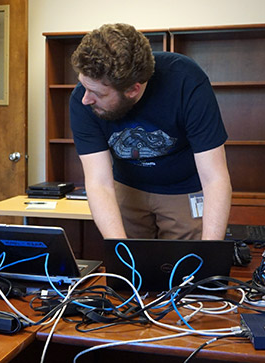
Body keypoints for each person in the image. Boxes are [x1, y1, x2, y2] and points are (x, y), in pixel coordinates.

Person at [69, 23, 231, 240]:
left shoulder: (185, 80)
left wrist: (211, 255)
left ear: (132, 90)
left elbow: (214, 178)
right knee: (130, 265)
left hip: (183, 188)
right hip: (127, 187)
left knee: (190, 266)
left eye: (97, 93)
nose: (85, 98)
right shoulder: (84, 99)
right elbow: (98, 181)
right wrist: (120, 252)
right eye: (83, 86)